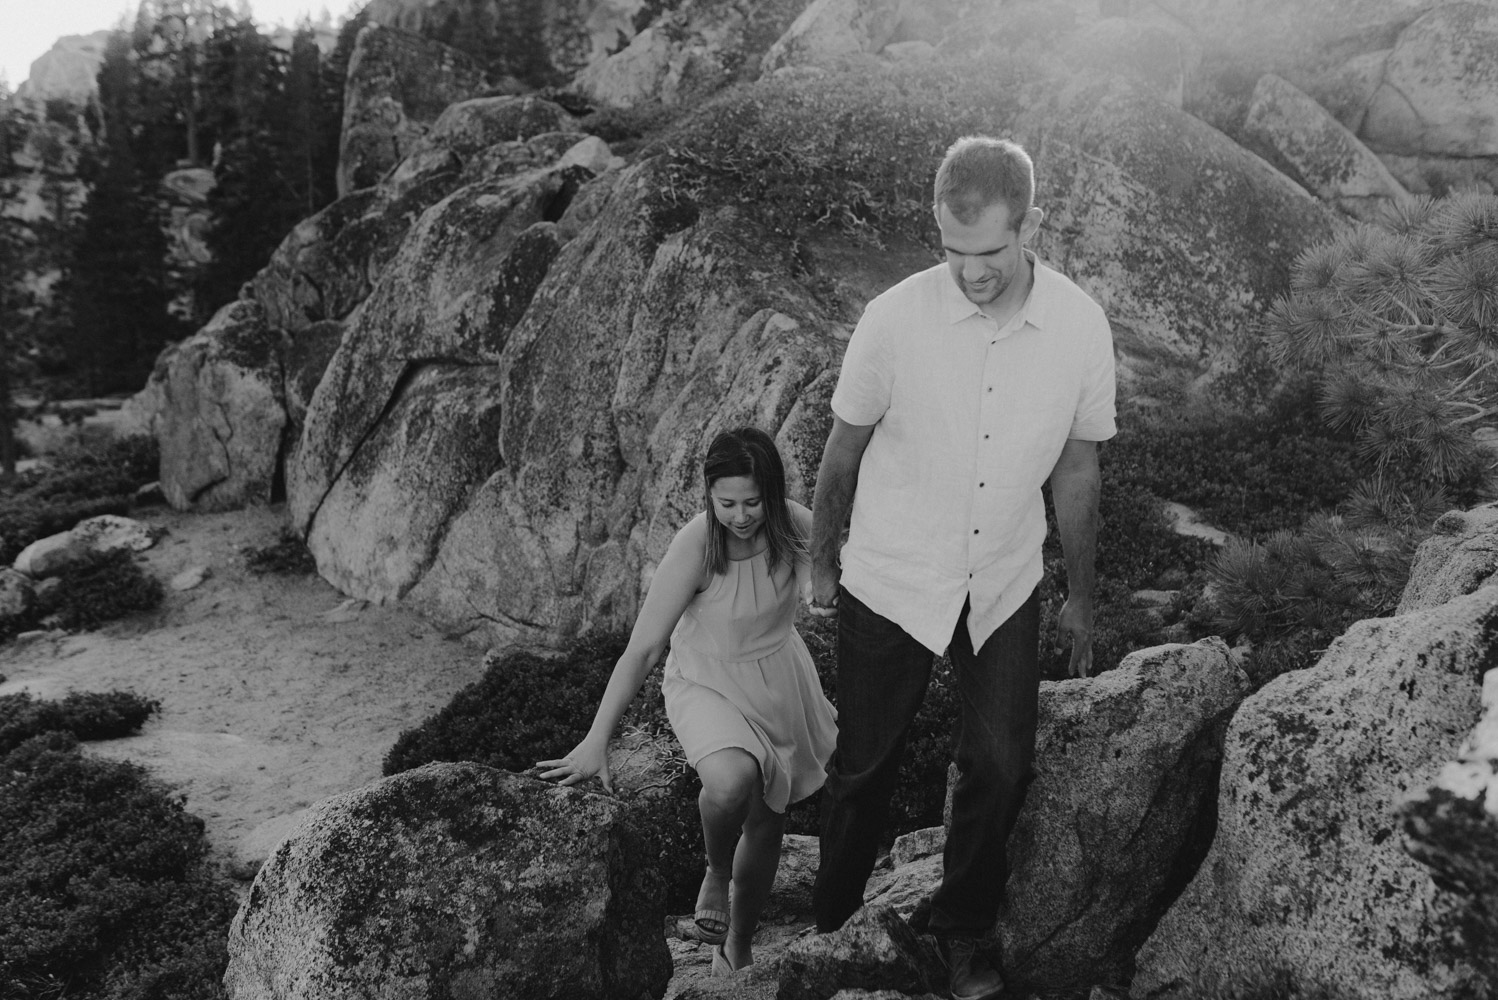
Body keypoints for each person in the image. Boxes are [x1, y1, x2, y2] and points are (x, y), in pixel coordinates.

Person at [807, 136, 1116, 1000]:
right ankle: (831, 927)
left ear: (1030, 226)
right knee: (863, 768)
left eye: (988, 253)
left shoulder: (1080, 324)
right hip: (892, 574)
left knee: (1001, 763)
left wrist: (1081, 601)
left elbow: (1079, 467)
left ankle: (963, 931)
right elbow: (842, 450)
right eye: (952, 250)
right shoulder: (894, 316)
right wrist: (821, 560)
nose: (970, 272)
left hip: (1006, 578)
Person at [536, 426, 836, 974]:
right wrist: (596, 738)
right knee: (730, 780)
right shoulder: (696, 544)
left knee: (768, 824)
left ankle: (739, 942)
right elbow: (644, 648)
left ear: (772, 492)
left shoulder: (794, 525)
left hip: (777, 679)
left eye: (753, 502)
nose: (741, 516)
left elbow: (846, 567)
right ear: (708, 495)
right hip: (704, 681)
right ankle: (716, 871)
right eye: (726, 503)